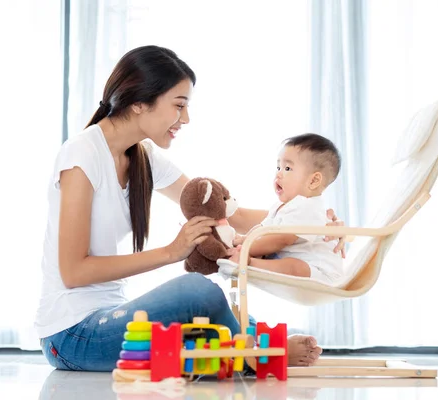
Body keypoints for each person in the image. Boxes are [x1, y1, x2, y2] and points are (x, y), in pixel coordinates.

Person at [34, 45, 346, 372]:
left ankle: (253, 345)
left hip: (113, 313)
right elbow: (74, 272)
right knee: (196, 291)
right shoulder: (81, 156)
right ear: (139, 102)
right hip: (72, 334)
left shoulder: (143, 158)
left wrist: (307, 221)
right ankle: (258, 355)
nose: (186, 118)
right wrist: (173, 251)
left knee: (207, 310)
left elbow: (230, 215)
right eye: (179, 105)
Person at [218, 133, 345, 285]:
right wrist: (244, 240)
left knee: (294, 266)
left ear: (314, 180)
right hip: (301, 264)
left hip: (322, 272)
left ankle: (248, 262)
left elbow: (281, 239)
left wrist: (246, 247)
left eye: (287, 168)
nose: (278, 173)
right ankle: (245, 259)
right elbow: (263, 228)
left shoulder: (308, 207)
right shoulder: (282, 206)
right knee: (289, 263)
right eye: (278, 167)